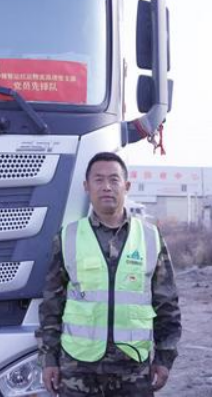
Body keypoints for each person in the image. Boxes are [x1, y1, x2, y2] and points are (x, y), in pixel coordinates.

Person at [37, 152, 182, 396]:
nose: (106, 187)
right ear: (86, 186)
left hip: (133, 368)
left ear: (127, 186)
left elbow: (167, 303)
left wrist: (164, 358)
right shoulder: (67, 237)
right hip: (78, 368)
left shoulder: (150, 237)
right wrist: (49, 358)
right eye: (99, 179)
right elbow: (52, 304)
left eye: (114, 179)